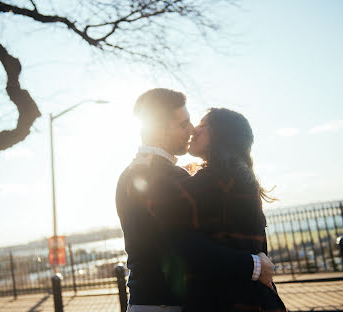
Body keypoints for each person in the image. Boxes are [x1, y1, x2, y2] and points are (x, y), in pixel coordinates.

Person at [116, 88, 276, 312]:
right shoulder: (161, 177)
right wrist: (254, 264)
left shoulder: (134, 172)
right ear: (160, 130)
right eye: (184, 124)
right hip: (166, 304)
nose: (191, 130)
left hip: (152, 301)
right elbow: (187, 244)